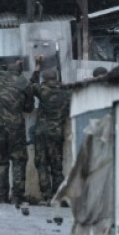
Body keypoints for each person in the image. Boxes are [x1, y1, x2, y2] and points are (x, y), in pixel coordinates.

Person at [0, 58, 34, 205]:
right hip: (16, 125)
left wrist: (4, 64)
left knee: (1, 160)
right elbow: (29, 108)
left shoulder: (1, 77)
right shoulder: (24, 83)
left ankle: (2, 197)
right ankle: (17, 197)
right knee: (19, 160)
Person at [31, 56, 71, 202]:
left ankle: (46, 196)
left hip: (41, 132)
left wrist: (37, 67)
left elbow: (29, 85)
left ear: (45, 78)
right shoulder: (66, 91)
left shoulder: (43, 89)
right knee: (57, 165)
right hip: (57, 132)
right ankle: (58, 196)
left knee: (42, 164)